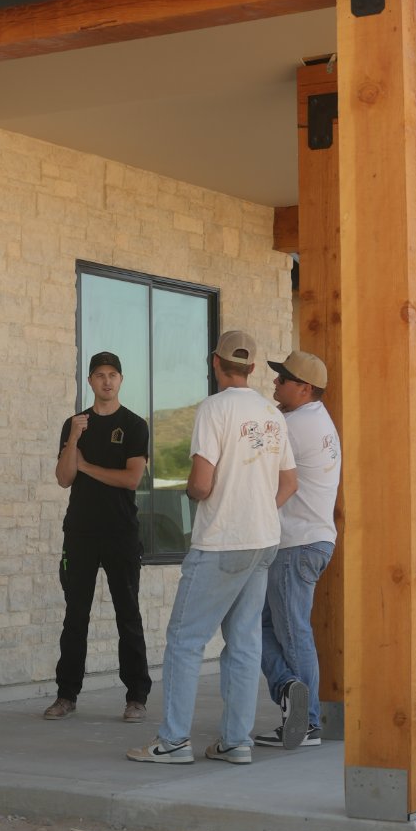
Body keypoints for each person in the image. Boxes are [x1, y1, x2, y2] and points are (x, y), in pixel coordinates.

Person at [127, 328, 295, 766]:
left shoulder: (213, 409)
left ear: (216, 363)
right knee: (242, 642)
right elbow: (289, 482)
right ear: (254, 369)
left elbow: (201, 484)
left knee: (185, 640)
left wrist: (194, 493)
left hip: (222, 541)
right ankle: (236, 741)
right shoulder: (272, 414)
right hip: (264, 540)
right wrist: (259, 506)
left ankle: (174, 741)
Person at [45, 351, 152, 721]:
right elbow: (64, 478)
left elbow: (131, 478)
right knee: (75, 616)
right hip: (80, 533)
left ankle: (136, 697)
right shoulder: (74, 425)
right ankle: (66, 695)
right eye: (99, 375)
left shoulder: (135, 425)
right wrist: (74, 438)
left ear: (120, 380)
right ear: (90, 381)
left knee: (128, 616)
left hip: (121, 532)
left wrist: (87, 465)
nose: (107, 381)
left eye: (113, 375)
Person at [257, 349, 340, 751]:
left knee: (290, 634)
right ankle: (293, 695)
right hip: (313, 540)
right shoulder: (319, 420)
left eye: (282, 379)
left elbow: (253, 465)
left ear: (304, 388)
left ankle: (305, 723)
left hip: (295, 545)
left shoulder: (293, 425)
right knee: (264, 627)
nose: (275, 383)